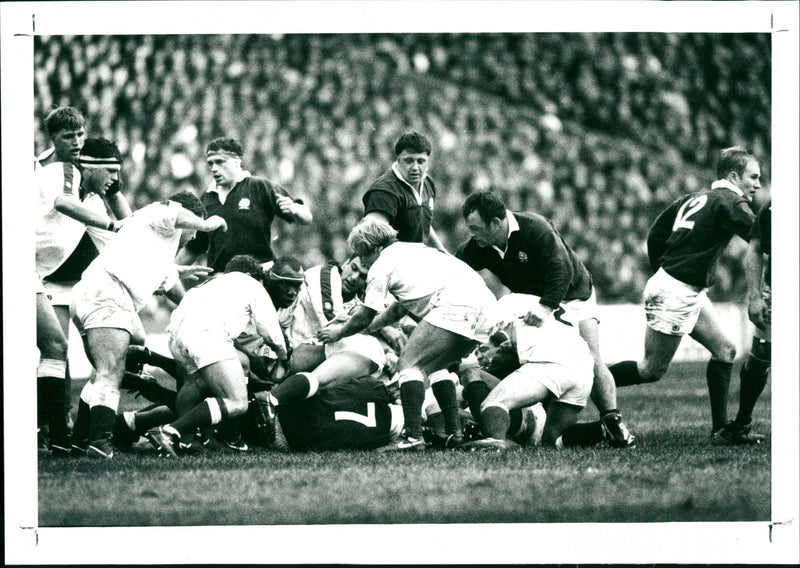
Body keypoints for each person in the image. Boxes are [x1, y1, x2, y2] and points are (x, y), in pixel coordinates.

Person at [457, 191, 634, 448]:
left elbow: (562, 269)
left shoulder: (535, 228)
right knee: (519, 364)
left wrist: (546, 306)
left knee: (591, 356)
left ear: (496, 223)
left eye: (475, 228)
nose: (471, 234)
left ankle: (611, 419)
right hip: (535, 302)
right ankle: (547, 421)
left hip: (571, 295)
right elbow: (455, 271)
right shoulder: (478, 246)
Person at [608, 146, 759, 441]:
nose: (757, 184)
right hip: (676, 290)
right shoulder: (731, 201)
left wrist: (665, 269)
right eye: (753, 177)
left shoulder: (695, 197)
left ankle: (720, 430)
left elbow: (657, 233)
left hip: (682, 287)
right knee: (651, 369)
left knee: (726, 350)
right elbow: (762, 237)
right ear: (734, 176)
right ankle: (579, 383)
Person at [69, 191, 227, 458]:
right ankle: (100, 442)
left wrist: (188, 284)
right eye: (192, 229)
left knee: (103, 372)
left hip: (96, 292)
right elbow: (172, 212)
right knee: (111, 371)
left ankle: (81, 438)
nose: (191, 237)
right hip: (107, 293)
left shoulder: (159, 246)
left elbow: (171, 289)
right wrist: (207, 224)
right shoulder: (158, 213)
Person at [318, 218, 497, 451]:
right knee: (437, 366)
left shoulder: (381, 266)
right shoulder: (413, 249)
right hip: (485, 306)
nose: (361, 261)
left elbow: (365, 315)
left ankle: (413, 437)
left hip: (456, 304)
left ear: (373, 248)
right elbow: (399, 307)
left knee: (408, 363)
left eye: (362, 254)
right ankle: (456, 434)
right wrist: (372, 328)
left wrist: (338, 333)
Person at [144, 255, 289, 458]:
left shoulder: (209, 285)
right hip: (208, 336)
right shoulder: (252, 284)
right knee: (237, 402)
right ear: (250, 274)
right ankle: (170, 432)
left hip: (177, 336)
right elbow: (270, 331)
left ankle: (187, 441)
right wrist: (283, 355)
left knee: (196, 383)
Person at [460, 293, 595, 450]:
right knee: (551, 442)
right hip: (584, 371)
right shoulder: (560, 306)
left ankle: (494, 440)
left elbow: (483, 329)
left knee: (494, 402)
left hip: (550, 364)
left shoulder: (513, 300)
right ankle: (603, 428)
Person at [262, 255, 389, 411]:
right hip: (280, 354)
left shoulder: (356, 304)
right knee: (369, 346)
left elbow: (352, 321)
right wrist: (382, 327)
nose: (354, 278)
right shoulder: (326, 274)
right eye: (354, 268)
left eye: (363, 276)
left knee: (375, 360)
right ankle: (274, 397)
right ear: (346, 262)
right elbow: (332, 321)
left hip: (303, 358)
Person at [177, 137, 312, 275]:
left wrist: (295, 209)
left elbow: (307, 218)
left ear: (237, 162)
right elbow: (194, 247)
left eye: (220, 162)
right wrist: (167, 273)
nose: (214, 168)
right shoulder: (206, 198)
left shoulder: (259, 186)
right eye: (210, 164)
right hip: (221, 278)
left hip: (259, 275)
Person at [713, 200, 771, 445]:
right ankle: (742, 423)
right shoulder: (771, 210)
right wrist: (755, 296)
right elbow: (755, 250)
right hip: (780, 287)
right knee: (762, 353)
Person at [362, 131, 448, 252]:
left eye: (420, 161)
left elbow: (423, 223)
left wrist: (441, 249)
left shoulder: (428, 183)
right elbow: (372, 237)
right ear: (398, 160)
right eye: (409, 160)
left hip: (413, 261)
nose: (415, 168)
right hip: (389, 265)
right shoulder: (385, 191)